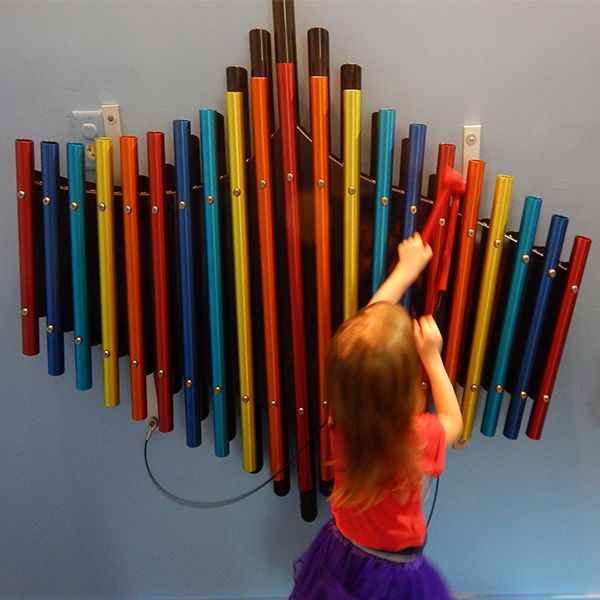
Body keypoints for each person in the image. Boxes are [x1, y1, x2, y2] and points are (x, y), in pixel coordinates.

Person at [290, 232, 463, 600]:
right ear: (405, 388)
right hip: (394, 571)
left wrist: (405, 271)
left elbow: (364, 340)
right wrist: (433, 357)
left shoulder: (342, 418)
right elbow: (455, 421)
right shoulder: (416, 436)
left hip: (341, 549)